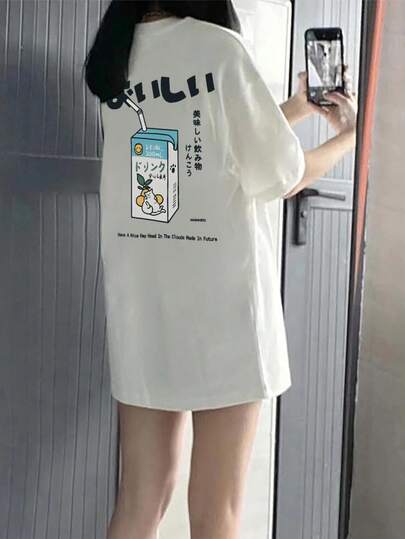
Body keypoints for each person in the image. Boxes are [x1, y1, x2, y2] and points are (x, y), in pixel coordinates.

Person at [84, 1, 357, 538]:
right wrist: (350, 136)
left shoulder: (118, 56)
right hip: (224, 311)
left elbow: (209, 142)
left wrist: (295, 108)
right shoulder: (219, 48)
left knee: (140, 500)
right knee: (217, 512)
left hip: (145, 309)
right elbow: (283, 174)